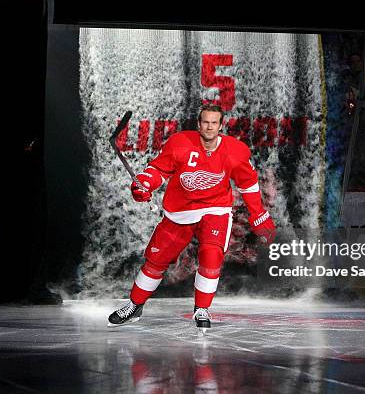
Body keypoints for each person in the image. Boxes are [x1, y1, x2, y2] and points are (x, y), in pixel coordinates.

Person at [108, 104, 276, 331]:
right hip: (180, 210)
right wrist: (145, 183)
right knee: (156, 261)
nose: (209, 126)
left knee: (211, 254)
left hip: (215, 209)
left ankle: (202, 309)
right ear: (199, 124)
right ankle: (134, 305)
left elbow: (248, 184)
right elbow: (159, 170)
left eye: (214, 122)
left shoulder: (234, 151)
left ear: (220, 125)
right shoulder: (180, 143)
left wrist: (259, 215)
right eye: (205, 122)